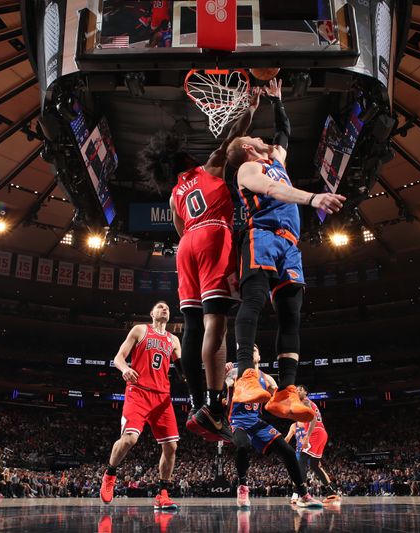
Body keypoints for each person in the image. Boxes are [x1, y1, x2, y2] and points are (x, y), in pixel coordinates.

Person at [225, 78, 345, 422]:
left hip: (290, 244)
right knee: (255, 301)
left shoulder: (275, 157)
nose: (260, 139)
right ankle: (247, 375)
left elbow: (284, 133)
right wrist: (312, 198)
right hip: (260, 237)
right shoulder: (248, 168)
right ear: (247, 149)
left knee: (291, 313)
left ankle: (286, 392)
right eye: (253, 139)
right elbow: (274, 191)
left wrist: (277, 100)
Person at [167, 88, 261, 442]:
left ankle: (195, 405)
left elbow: (179, 230)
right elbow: (231, 138)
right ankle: (214, 402)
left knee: (191, 324)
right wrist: (249, 109)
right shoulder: (208, 167)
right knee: (215, 323)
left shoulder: (175, 192)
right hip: (212, 235)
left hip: (186, 244)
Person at [100, 301, 182, 511]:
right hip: (138, 391)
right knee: (130, 439)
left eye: (167, 308)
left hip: (162, 396)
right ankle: (110, 473)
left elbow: (182, 371)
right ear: (151, 312)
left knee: (171, 446)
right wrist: (124, 369)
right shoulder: (140, 330)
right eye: (160, 306)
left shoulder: (173, 340)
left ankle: (162, 493)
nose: (165, 309)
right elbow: (119, 357)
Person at [224, 348, 322, 509]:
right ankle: (242, 486)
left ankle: (304, 495)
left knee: (289, 452)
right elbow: (221, 387)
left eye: (254, 349)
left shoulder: (267, 379)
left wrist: (298, 405)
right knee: (243, 446)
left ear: (259, 356)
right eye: (248, 350)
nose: (251, 352)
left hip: (255, 421)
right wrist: (223, 375)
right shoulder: (235, 372)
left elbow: (281, 399)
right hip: (237, 421)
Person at [291, 385, 340, 504]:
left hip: (315, 433)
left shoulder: (306, 402)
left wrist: (307, 436)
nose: (298, 391)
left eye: (300, 390)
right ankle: (331, 492)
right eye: (296, 389)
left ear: (306, 392)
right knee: (314, 465)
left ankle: (303, 495)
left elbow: (313, 419)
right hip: (322, 433)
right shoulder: (306, 403)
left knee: (301, 461)